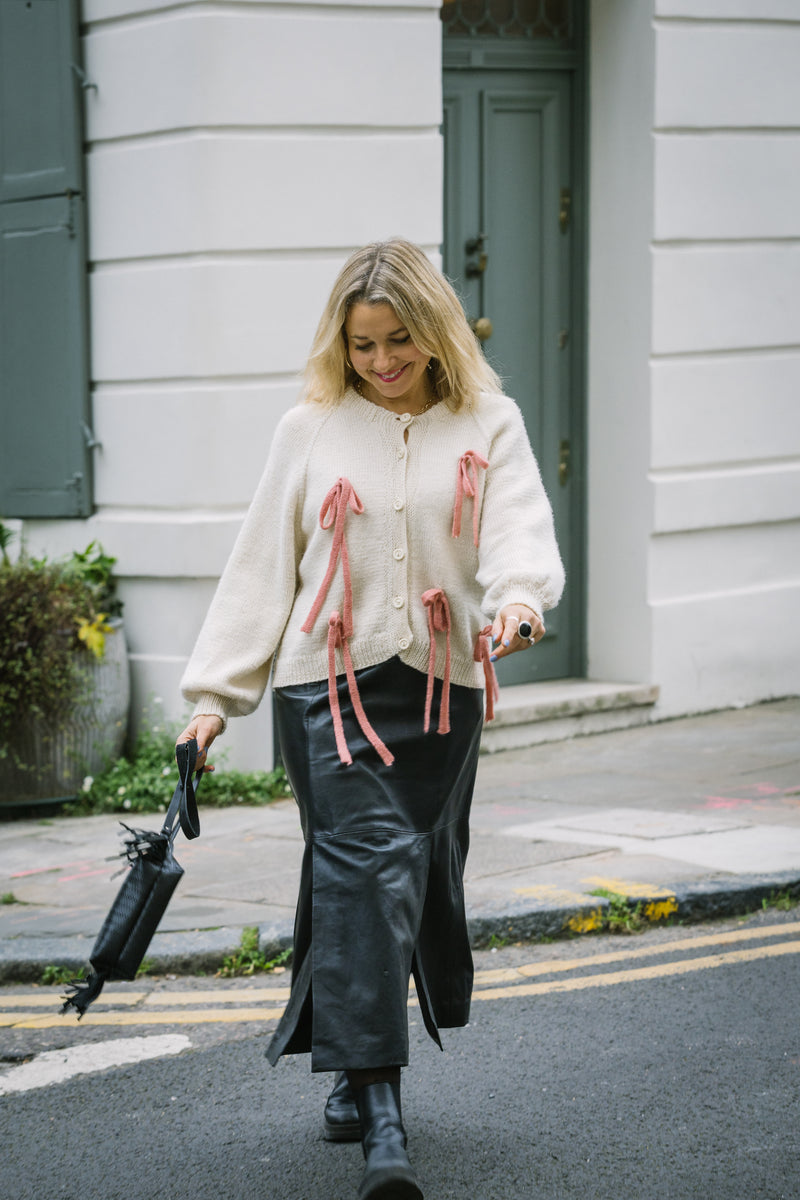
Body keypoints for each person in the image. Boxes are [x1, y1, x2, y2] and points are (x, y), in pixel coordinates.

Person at [176, 238, 564, 1200]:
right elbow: (261, 566)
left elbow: (518, 529)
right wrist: (212, 701)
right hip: (328, 687)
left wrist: (515, 598)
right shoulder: (308, 430)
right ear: (339, 345)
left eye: (399, 341)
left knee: (386, 875)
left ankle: (348, 1073)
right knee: (366, 865)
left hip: (441, 692)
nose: (382, 362)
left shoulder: (491, 421)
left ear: (433, 333)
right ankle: (382, 1117)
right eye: (362, 346)